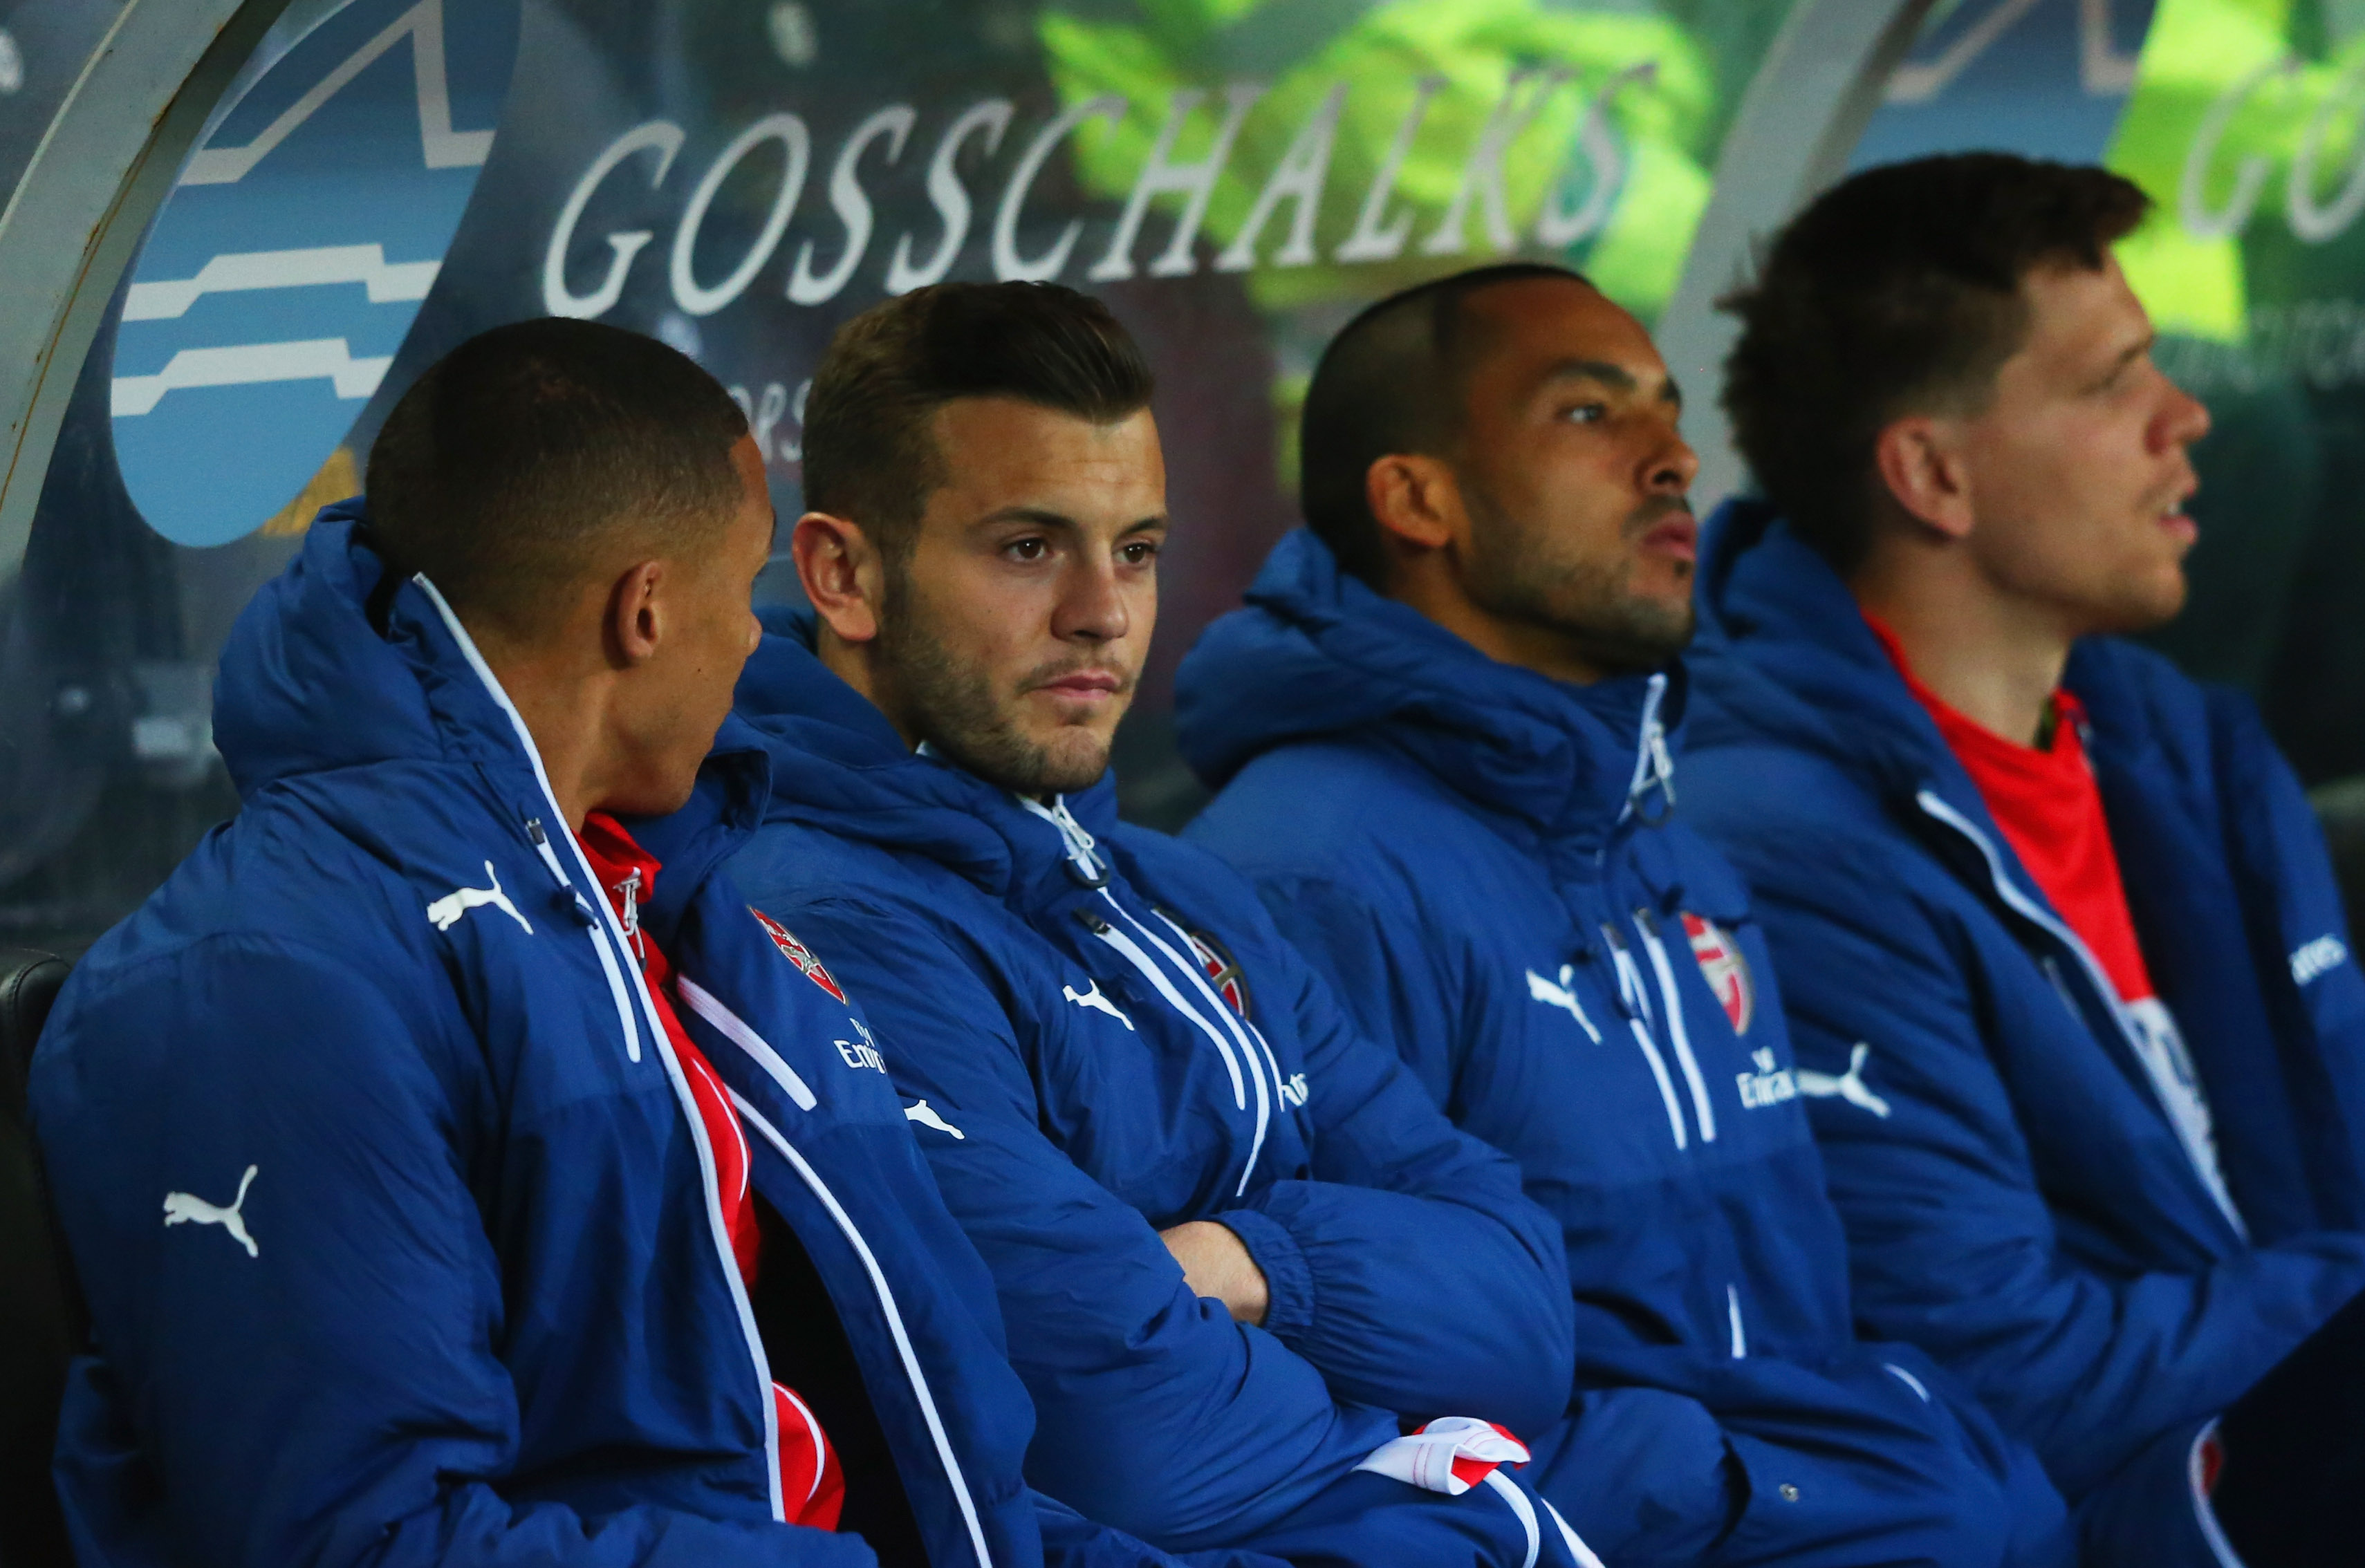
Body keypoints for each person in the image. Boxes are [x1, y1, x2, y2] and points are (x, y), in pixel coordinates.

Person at [29, 317, 1278, 1568]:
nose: (754, 641)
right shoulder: (269, 981)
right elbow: (364, 1543)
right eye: (742, 591)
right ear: (645, 610)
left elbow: (914, 1439)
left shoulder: (680, 907)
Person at [1172, 263, 2071, 1567]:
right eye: (1592, 416)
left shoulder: (1666, 842)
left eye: (1665, 409)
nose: (1673, 456)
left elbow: (1796, 1333)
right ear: (1417, 496)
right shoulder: (1309, 877)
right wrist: (1796, 1500)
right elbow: (1342, 1417)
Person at [725, 281, 1596, 1568]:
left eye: (1135, 549)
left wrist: (1251, 1262)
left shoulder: (1179, 890)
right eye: (1029, 548)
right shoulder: (821, 916)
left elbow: (1529, 1318)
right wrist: (1390, 1439)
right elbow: (1131, 1444)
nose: (1106, 612)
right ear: (844, 577)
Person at [1679, 151, 2365, 1567]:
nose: (2186, 422)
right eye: (2113, 385)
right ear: (1933, 472)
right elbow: (2010, 1374)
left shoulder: (2181, 744)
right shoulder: (1782, 847)